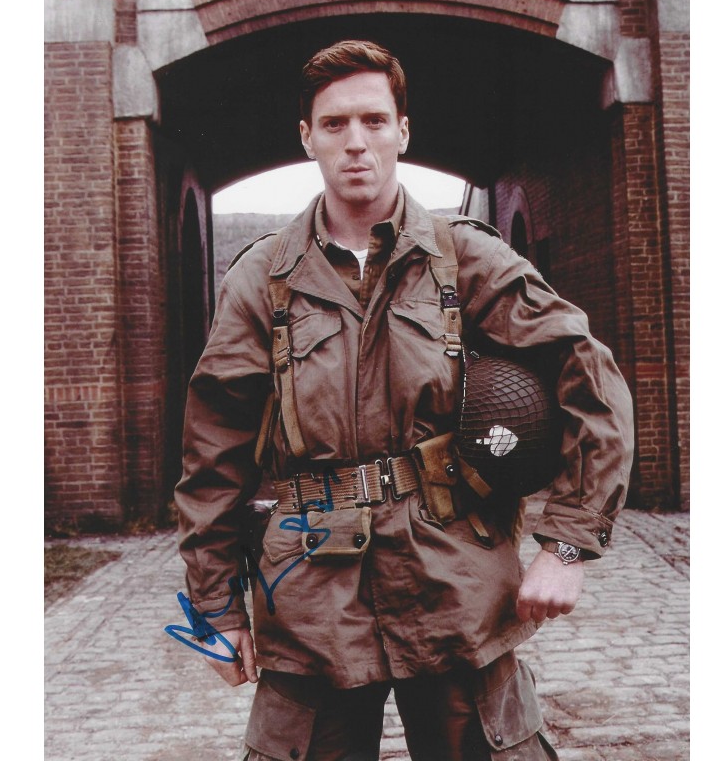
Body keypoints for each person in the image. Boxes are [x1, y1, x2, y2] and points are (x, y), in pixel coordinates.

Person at [174, 39, 635, 761]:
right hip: (310, 595)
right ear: (308, 138)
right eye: (334, 124)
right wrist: (214, 605)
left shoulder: (465, 257)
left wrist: (567, 545)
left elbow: (587, 372)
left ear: (403, 131)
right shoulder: (262, 278)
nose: (355, 142)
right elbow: (213, 452)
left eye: (374, 121)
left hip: (455, 580)